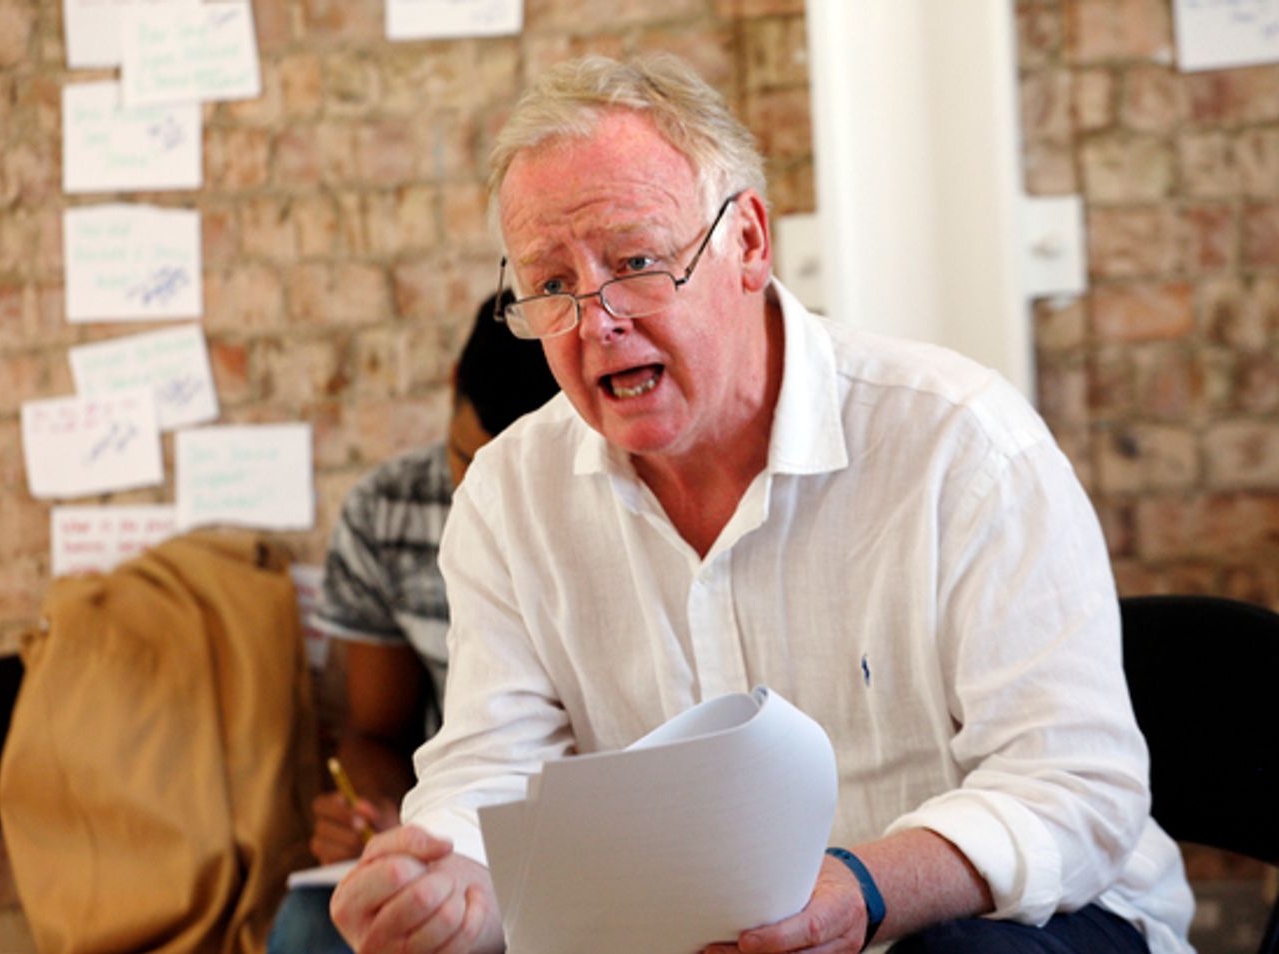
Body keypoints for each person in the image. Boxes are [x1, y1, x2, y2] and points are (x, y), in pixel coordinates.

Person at [329, 53, 1195, 954]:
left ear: (747, 241)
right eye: (551, 286)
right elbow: (492, 773)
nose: (597, 321)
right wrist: (446, 881)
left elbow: (1075, 788)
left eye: (635, 261)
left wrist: (863, 887)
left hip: (1015, 927)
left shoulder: (960, 445)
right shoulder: (511, 496)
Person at [266, 291, 559, 954]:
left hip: (594, 831)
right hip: (462, 825)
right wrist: (383, 818)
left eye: (518, 477)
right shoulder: (388, 511)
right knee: (316, 929)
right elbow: (374, 731)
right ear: (453, 388)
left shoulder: (615, 508)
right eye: (470, 462)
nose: (482, 496)